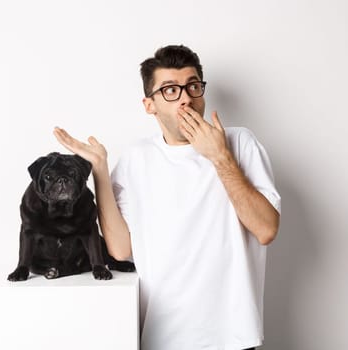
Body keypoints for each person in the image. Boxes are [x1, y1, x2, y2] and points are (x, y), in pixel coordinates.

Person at [53, 45, 281, 350]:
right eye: (170, 89)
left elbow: (266, 229)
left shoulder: (239, 143)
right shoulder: (137, 158)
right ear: (150, 105)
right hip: (163, 338)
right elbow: (120, 249)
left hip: (233, 338)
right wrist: (100, 171)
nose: (186, 97)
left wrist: (220, 157)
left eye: (193, 85)